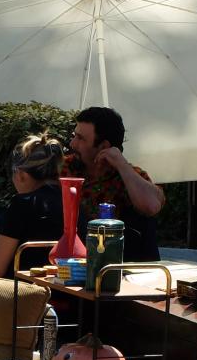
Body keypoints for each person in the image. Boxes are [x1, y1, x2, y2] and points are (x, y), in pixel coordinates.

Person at [66, 106, 164, 261]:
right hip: (69, 262)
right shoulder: (65, 168)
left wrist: (122, 165)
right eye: (74, 136)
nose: (72, 143)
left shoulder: (127, 176)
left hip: (116, 266)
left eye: (81, 138)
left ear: (104, 146)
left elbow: (152, 206)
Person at [0, 134, 65, 277]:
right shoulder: (71, 202)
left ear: (20, 174)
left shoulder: (23, 203)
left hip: (24, 291)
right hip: (65, 289)